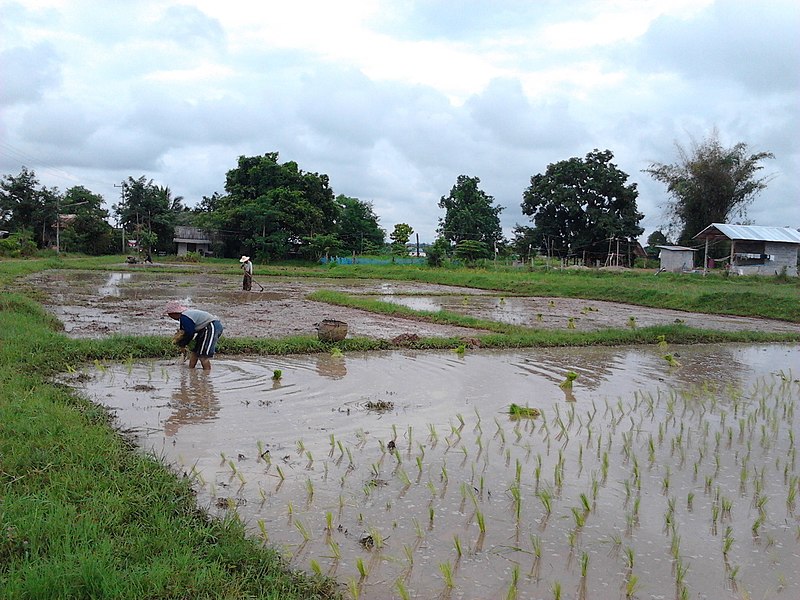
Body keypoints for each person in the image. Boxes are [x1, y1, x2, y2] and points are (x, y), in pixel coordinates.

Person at [165, 301, 224, 371]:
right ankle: (191, 370)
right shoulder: (183, 318)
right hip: (204, 329)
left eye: (169, 314)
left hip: (212, 326)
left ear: (173, 314)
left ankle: (206, 377)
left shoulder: (185, 317)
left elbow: (190, 333)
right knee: (195, 352)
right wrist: (181, 344)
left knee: (203, 356)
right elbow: (183, 332)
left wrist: (183, 343)